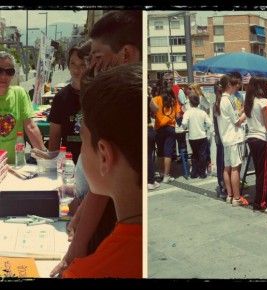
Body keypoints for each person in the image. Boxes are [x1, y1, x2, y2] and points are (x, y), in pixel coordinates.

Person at [50, 10, 142, 277]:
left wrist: (73, 260)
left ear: (126, 54)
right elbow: (101, 188)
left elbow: (106, 182)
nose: (90, 68)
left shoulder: (120, 104)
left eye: (97, 59)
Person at [0, 51, 46, 164]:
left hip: (15, 166)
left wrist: (45, 156)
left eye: (9, 72)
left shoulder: (19, 93)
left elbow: (30, 127)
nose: (3, 76)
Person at [47, 45, 87, 163]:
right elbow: (54, 136)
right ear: (68, 66)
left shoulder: (97, 95)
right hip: (68, 164)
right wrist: (52, 165)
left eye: (82, 65)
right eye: (73, 64)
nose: (76, 69)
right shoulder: (60, 98)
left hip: (93, 165)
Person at [216, 74, 248, 207]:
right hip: (234, 138)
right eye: (236, 85)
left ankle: (230, 195)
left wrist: (240, 111)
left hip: (226, 139)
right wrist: (246, 111)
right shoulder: (227, 100)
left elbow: (231, 117)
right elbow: (237, 122)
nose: (238, 87)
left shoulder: (220, 100)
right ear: (229, 85)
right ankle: (236, 197)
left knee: (227, 168)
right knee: (235, 169)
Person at [244, 77, 267, 211]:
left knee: (259, 171)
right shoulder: (263, 102)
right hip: (263, 139)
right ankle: (261, 202)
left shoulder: (249, 101)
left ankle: (259, 200)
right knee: (265, 172)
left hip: (251, 138)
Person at [152, 78, 181, 183]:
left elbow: (152, 112)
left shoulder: (156, 99)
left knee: (160, 152)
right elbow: (178, 115)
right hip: (170, 128)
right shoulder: (174, 101)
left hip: (159, 128)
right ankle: (166, 175)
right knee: (168, 152)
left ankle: (160, 173)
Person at [182, 94, 212, 179]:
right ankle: (202, 173)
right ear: (198, 103)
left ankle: (194, 173)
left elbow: (184, 123)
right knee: (202, 155)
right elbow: (210, 123)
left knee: (194, 154)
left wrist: (186, 127)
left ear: (190, 103)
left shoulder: (187, 112)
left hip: (192, 137)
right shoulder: (202, 112)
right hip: (202, 136)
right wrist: (204, 128)